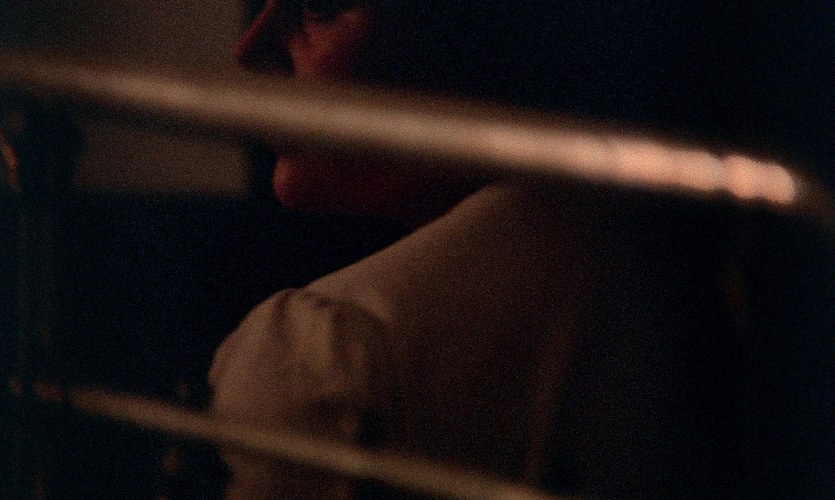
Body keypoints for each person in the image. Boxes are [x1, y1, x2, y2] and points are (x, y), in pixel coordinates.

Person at [209, 1, 835, 498]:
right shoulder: (697, 233)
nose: (250, 49)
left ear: (478, 25)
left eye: (321, 3)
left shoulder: (328, 358)